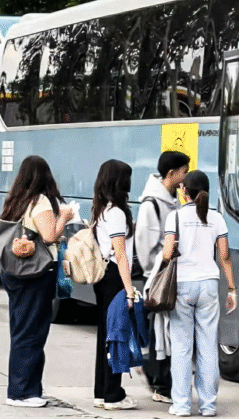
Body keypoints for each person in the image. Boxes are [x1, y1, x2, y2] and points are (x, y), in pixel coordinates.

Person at [160, 170, 237, 417]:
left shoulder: (175, 216)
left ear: (184, 192)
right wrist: (232, 288)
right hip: (208, 285)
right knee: (207, 346)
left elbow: (166, 253)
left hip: (182, 285)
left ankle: (181, 406)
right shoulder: (216, 219)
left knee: (182, 347)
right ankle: (208, 405)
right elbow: (224, 257)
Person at [0, 155, 74, 408]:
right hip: (35, 273)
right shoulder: (39, 201)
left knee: (22, 329)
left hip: (15, 271)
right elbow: (49, 235)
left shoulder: (16, 200)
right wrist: (64, 216)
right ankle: (21, 392)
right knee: (31, 331)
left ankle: (26, 389)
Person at [135, 151, 190, 404]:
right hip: (158, 278)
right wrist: (158, 271)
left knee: (168, 332)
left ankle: (164, 383)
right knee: (159, 332)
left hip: (172, 275)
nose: (185, 177)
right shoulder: (152, 204)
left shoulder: (171, 200)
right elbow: (145, 249)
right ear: (171, 174)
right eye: (183, 172)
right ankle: (159, 384)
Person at [91, 159, 138, 411]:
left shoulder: (101, 210)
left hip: (103, 277)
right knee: (116, 335)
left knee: (105, 335)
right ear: (120, 181)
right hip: (114, 278)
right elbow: (121, 254)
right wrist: (129, 289)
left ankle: (101, 391)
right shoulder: (117, 213)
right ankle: (113, 394)